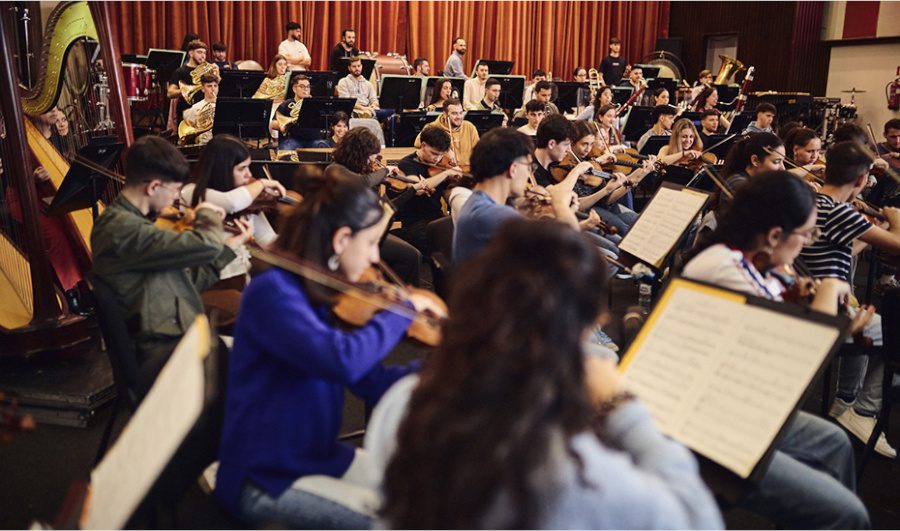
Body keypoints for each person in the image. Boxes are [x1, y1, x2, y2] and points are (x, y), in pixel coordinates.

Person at [372, 218, 723, 529]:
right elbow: (698, 518)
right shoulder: (576, 470)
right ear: (586, 328)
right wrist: (623, 408)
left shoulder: (404, 401)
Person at [215, 173, 445, 529]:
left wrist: (441, 372)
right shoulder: (273, 293)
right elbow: (342, 360)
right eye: (371, 244)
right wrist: (406, 309)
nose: (374, 258)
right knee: (395, 522)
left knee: (425, 498)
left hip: (318, 457)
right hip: (264, 475)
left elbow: (371, 381)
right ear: (340, 240)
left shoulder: (324, 295)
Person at [682, 171, 871, 529]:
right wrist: (830, 290)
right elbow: (797, 356)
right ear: (773, 235)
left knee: (833, 441)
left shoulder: (751, 261)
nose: (808, 242)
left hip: (737, 403)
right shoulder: (722, 267)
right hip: (709, 423)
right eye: (806, 235)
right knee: (848, 513)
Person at [91, 137, 248, 397]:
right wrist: (207, 211)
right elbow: (206, 245)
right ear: (153, 187)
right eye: (175, 190)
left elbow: (187, 283)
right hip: (162, 352)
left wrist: (229, 247)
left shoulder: (137, 224)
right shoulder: (120, 229)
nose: (177, 198)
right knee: (267, 367)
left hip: (181, 338)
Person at [799, 141, 900, 458]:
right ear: (861, 180)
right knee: (893, 333)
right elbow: (897, 245)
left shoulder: (811, 202)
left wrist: (873, 231)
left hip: (813, 302)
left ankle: (845, 401)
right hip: (829, 314)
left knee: (870, 320)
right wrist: (894, 219)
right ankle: (864, 410)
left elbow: (838, 251)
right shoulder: (841, 210)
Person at [181, 136, 286, 325]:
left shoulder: (247, 200)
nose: (248, 175)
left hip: (242, 283)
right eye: (241, 169)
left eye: (248, 167)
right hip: (210, 287)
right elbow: (231, 202)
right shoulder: (192, 192)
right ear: (221, 169)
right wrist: (262, 183)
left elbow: (268, 239)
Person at [452, 127, 581, 265]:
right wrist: (560, 205)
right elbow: (571, 248)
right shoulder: (490, 213)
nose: (528, 174)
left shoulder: (478, 203)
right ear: (513, 169)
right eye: (529, 167)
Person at [325, 127, 424, 286]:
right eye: (369, 157)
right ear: (357, 153)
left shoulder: (361, 173)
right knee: (409, 256)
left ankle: (396, 297)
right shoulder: (335, 170)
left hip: (367, 231)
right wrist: (385, 170)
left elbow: (386, 207)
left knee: (413, 255)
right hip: (349, 236)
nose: (372, 161)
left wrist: (412, 190)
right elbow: (363, 183)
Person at [389, 126, 463, 253]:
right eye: (434, 154)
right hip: (414, 222)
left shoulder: (441, 165)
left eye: (441, 155)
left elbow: (447, 195)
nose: (437, 159)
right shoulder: (406, 164)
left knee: (463, 236)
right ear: (423, 145)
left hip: (437, 217)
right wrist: (446, 174)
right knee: (443, 245)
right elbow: (418, 186)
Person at [415, 98, 479, 166]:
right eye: (454, 113)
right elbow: (417, 143)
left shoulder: (469, 127)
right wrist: (446, 150)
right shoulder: (433, 127)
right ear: (445, 114)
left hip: (467, 169)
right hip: (443, 170)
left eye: (460, 113)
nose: (459, 117)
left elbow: (479, 150)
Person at [167, 39, 216, 123]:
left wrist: (217, 75)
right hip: (187, 113)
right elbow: (170, 93)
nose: (203, 56)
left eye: (204, 53)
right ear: (191, 53)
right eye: (199, 52)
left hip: (206, 112)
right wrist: (187, 90)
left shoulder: (208, 70)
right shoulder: (180, 71)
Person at [273, 75, 325, 150]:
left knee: (323, 146)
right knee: (286, 148)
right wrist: (289, 123)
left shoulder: (317, 104)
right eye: (302, 86)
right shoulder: (286, 104)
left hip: (313, 139)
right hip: (293, 139)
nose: (306, 89)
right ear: (294, 89)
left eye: (308, 87)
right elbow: (273, 124)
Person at [179, 73, 218, 145]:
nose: (213, 89)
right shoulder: (195, 107)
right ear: (203, 89)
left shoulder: (222, 104)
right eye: (209, 86)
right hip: (203, 144)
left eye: (215, 86)